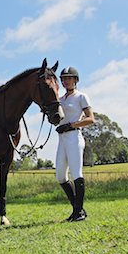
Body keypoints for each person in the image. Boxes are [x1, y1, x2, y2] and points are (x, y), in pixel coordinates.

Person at [55, 66, 94, 222]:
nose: (66, 81)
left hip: (74, 137)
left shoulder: (81, 96)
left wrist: (71, 125)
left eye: (69, 78)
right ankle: (78, 209)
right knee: (60, 176)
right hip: (62, 139)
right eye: (64, 78)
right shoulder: (60, 99)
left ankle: (77, 212)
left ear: (75, 80)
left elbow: (90, 118)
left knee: (76, 173)